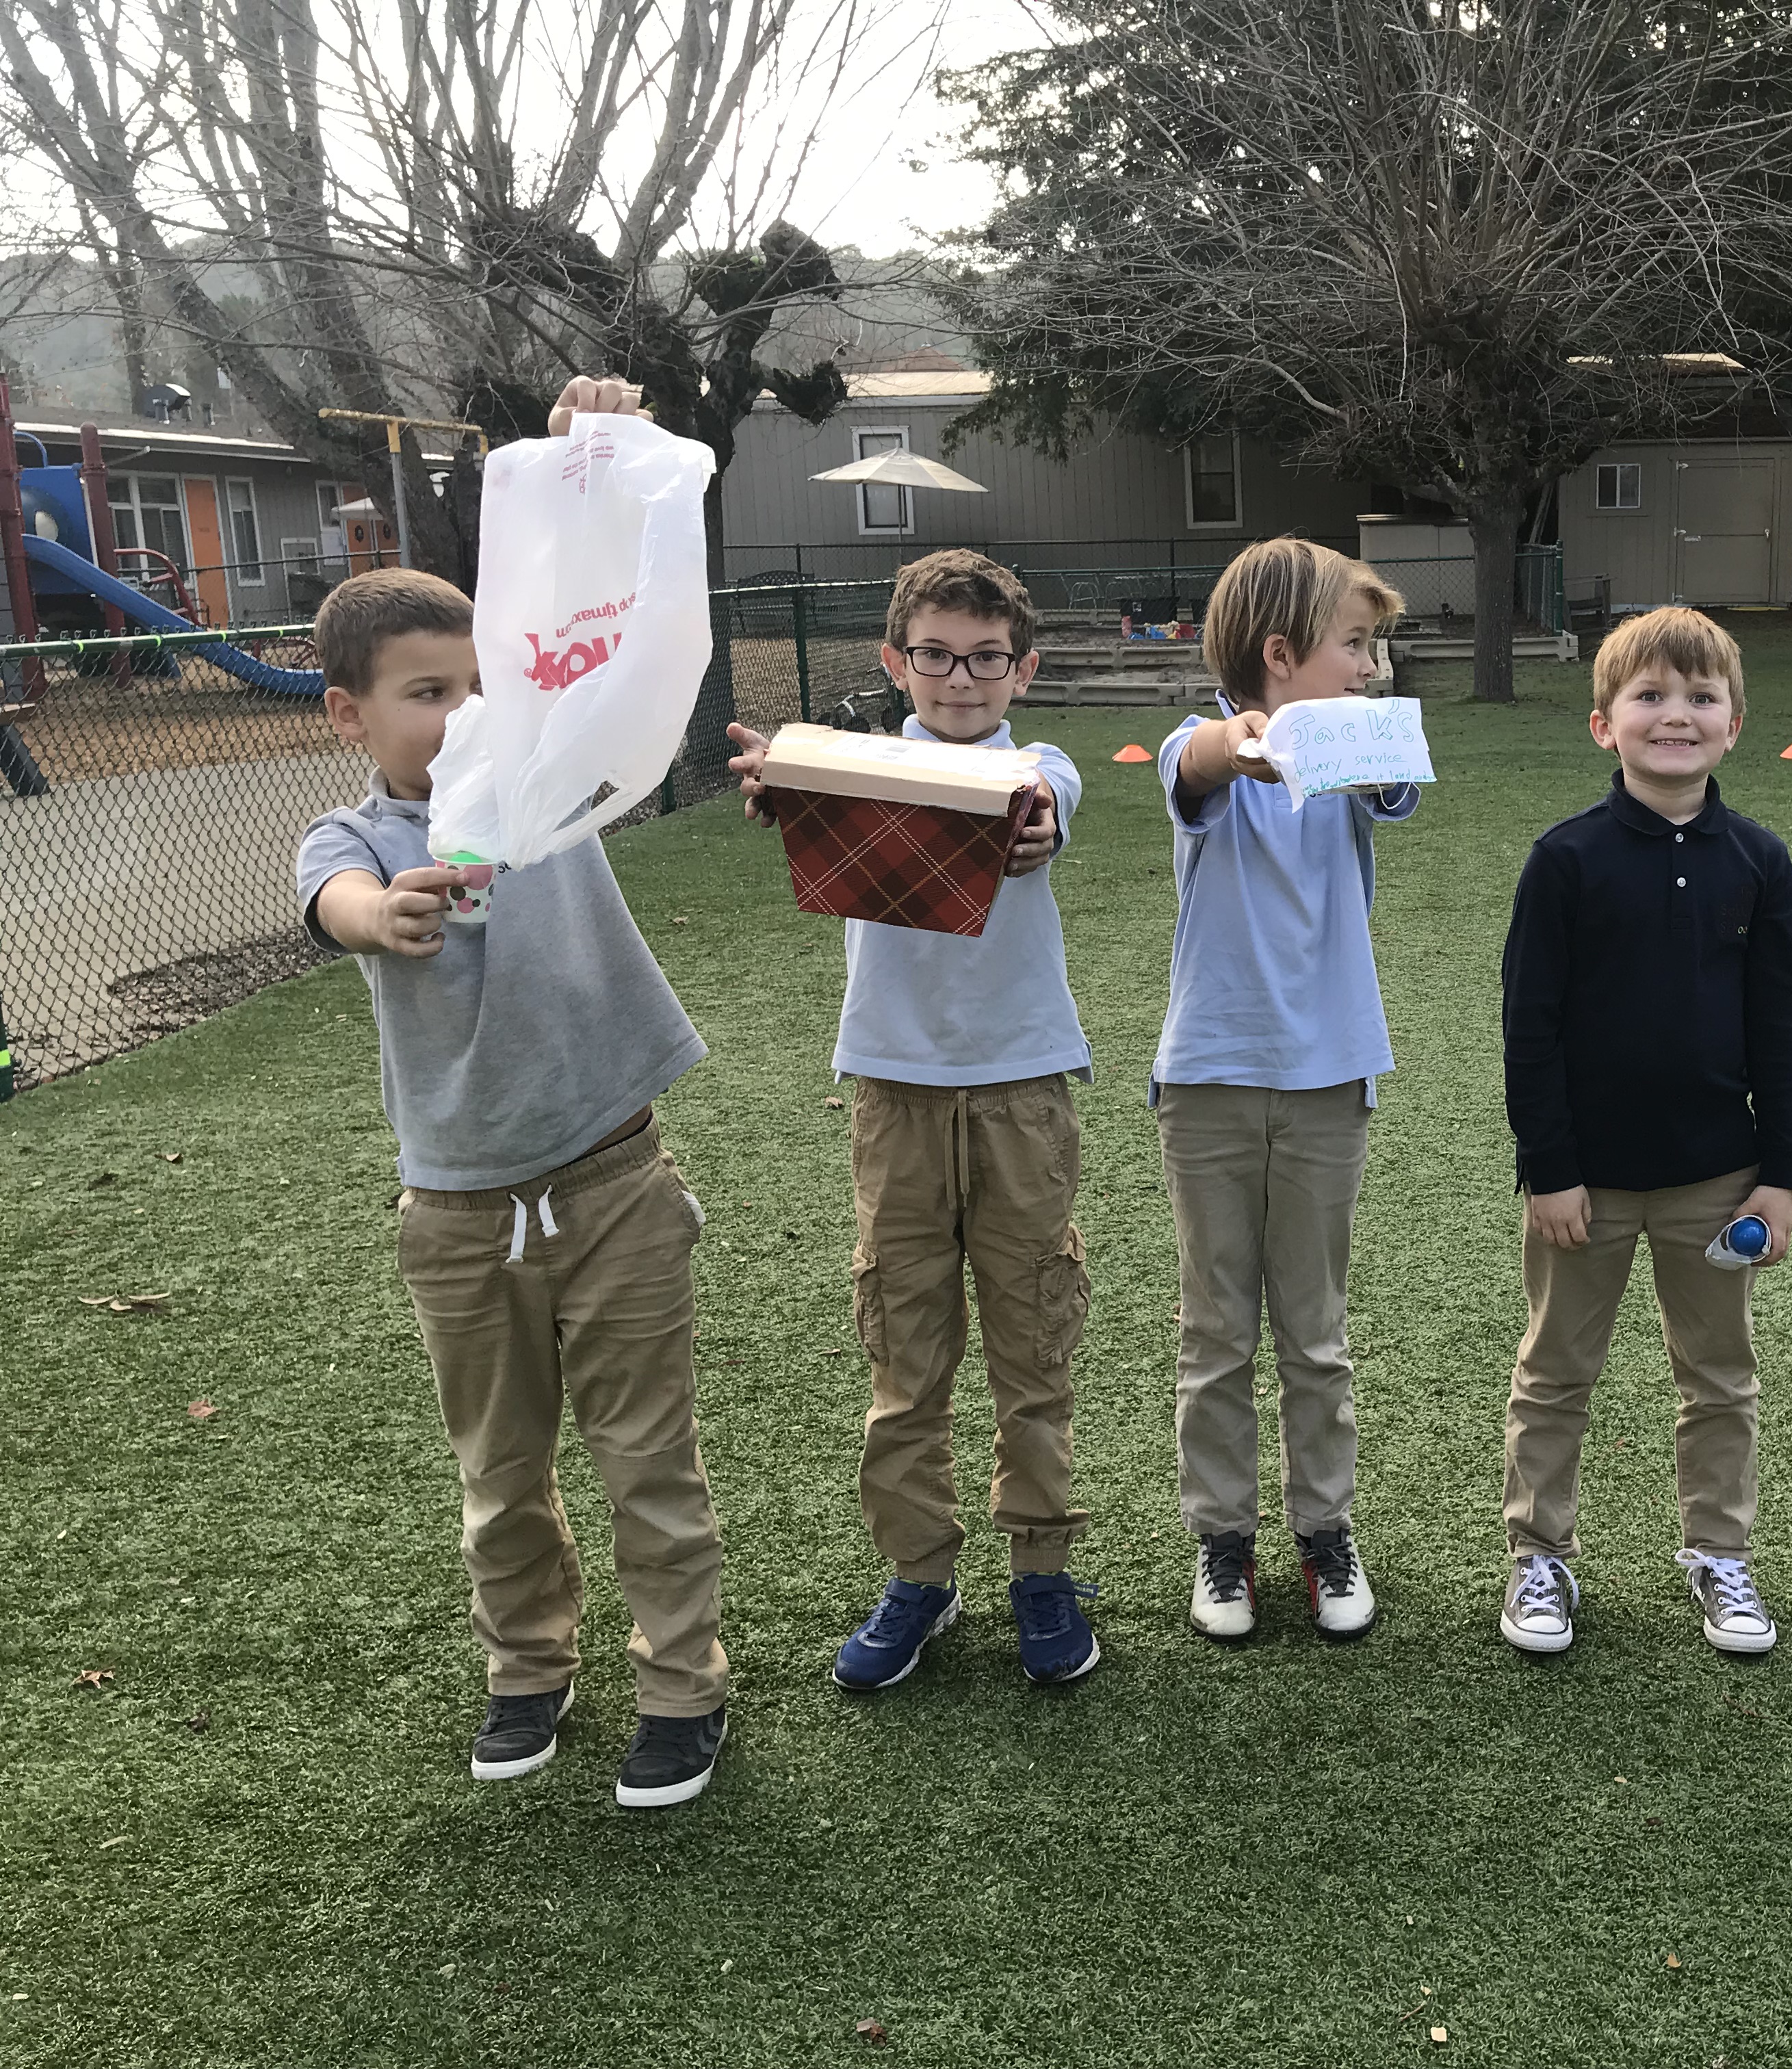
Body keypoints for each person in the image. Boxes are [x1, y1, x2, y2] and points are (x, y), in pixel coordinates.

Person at [293, 376, 729, 1808]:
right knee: (499, 1470)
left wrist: (586, 447)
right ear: (352, 712)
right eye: (428, 695)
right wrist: (385, 913)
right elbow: (337, 904)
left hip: (616, 1182)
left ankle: (682, 1684)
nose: (464, 712)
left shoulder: (552, 775)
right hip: (459, 1213)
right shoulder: (352, 838)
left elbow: (593, 603)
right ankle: (528, 1668)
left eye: (480, 683)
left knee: (648, 1458)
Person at [723, 551, 1102, 1689]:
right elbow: (796, 782)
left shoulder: (1037, 766)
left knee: (1033, 1345)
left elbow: (1042, 811)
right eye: (936, 655)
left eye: (986, 658)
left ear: (1023, 669)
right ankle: (920, 1575)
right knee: (905, 1350)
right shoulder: (858, 768)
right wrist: (781, 784)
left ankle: (1041, 1568)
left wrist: (1036, 826)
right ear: (896, 662)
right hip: (892, 1091)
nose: (960, 678)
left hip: (1023, 1088)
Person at [1495, 606, 1792, 1656]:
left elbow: (1781, 1024)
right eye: (1650, 696)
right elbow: (1529, 1026)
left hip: (1715, 1179)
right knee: (1555, 1375)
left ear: (1734, 726)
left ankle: (1721, 1555)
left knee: (1719, 1378)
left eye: (1701, 697)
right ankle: (1539, 1557)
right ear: (1605, 725)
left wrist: (1779, 1173)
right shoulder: (1566, 859)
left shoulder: (1759, 860)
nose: (1676, 715)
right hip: (1583, 1183)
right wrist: (1550, 1169)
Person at [1155, 537, 1414, 1643]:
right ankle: (1223, 1539)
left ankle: (1324, 1530)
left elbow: (1395, 780)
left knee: (1315, 1333)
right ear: (1278, 651)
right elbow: (1201, 762)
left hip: (1328, 1080)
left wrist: (1334, 735)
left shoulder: (1355, 749)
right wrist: (1248, 741)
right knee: (1216, 1331)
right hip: (1207, 1080)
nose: (1370, 665)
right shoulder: (1197, 745)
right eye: (1354, 644)